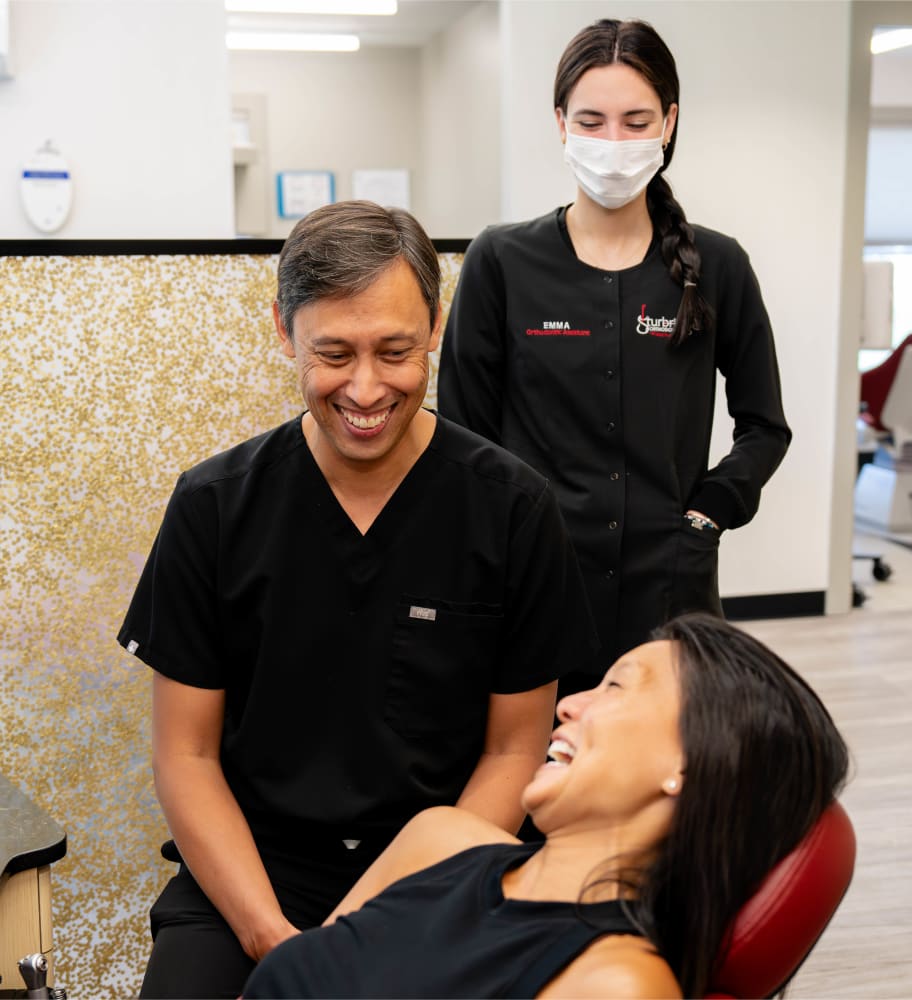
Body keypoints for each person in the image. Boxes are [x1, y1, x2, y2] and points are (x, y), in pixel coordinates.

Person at [117, 201, 598, 999]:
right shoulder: (214, 506)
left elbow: (514, 751)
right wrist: (272, 939)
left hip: (444, 871)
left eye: (396, 351)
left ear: (436, 326)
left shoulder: (512, 508)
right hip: (253, 872)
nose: (366, 389)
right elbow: (186, 757)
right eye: (333, 354)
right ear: (284, 330)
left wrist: (378, 926)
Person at [241, 612, 850, 999]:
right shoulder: (441, 839)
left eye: (615, 687)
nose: (569, 705)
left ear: (687, 767)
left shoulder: (616, 984)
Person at [438, 19, 792, 680]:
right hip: (535, 576)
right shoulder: (502, 260)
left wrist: (709, 514)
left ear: (669, 122)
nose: (613, 143)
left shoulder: (718, 265)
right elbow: (463, 434)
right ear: (560, 124)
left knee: (670, 741)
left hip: (672, 580)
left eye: (636, 121)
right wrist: (498, 541)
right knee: (541, 743)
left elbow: (765, 426)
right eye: (591, 121)